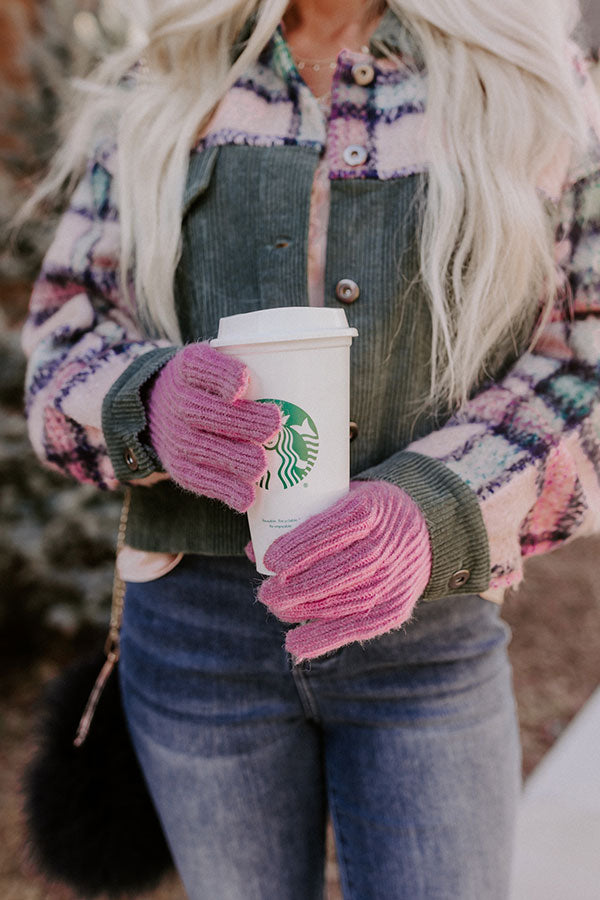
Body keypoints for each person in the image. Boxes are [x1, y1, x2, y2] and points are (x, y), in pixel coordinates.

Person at [21, 0, 600, 897]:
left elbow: (585, 363)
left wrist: (437, 510)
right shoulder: (167, 83)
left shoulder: (535, 87)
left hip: (427, 641)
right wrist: (148, 402)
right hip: (196, 643)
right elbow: (63, 340)